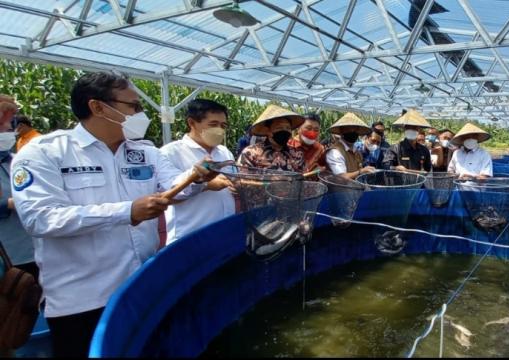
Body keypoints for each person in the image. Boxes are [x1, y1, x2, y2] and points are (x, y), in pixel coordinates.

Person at [9, 72, 217, 357]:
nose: (140, 114)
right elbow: (40, 218)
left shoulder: (145, 152)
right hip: (83, 301)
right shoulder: (45, 154)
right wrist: (126, 211)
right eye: (134, 106)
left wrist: (196, 178)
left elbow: (173, 189)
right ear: (98, 107)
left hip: (141, 287)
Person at [159, 99, 236, 245]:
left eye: (223, 125)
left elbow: (232, 180)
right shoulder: (170, 153)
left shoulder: (224, 152)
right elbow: (168, 195)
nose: (219, 130)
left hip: (224, 232)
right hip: (190, 236)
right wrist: (205, 185)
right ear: (192, 123)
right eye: (213, 124)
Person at [0, 99, 36, 280]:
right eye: (3, 125)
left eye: (10, 124)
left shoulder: (16, 160)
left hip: (30, 251)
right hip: (7, 255)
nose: (9, 128)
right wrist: (7, 204)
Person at [238, 104, 305, 172]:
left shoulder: (297, 155)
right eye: (279, 128)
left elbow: (303, 178)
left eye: (288, 128)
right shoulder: (251, 153)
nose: (285, 131)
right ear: (267, 131)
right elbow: (243, 179)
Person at [325, 112, 376, 179]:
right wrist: (361, 171)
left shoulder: (357, 151)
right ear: (342, 130)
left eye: (355, 129)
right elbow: (342, 177)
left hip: (357, 187)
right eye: (349, 128)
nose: (353, 131)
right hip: (340, 189)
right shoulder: (335, 152)